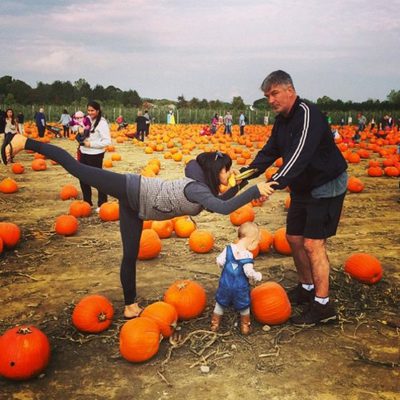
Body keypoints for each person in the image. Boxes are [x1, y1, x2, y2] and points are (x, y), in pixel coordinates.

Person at [2, 135, 277, 319]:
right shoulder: (197, 190)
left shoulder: (203, 190)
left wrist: (242, 184)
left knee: (130, 253)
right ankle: (25, 141)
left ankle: (131, 305)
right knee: (76, 168)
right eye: (227, 170)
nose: (229, 174)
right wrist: (253, 191)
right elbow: (224, 208)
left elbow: (221, 200)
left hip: (137, 206)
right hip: (131, 187)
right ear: (214, 172)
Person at [241, 70, 348, 326]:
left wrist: (271, 184)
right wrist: (245, 175)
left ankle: (323, 306)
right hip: (303, 185)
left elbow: (299, 156)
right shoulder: (282, 120)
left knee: (313, 244)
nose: (270, 99)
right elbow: (270, 150)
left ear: (290, 90)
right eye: (267, 96)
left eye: (274, 93)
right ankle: (306, 286)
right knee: (293, 238)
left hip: (325, 183)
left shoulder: (307, 115)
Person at [210, 222, 262, 335]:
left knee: (220, 303)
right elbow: (249, 273)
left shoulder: (228, 249)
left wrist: (225, 267)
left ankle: (215, 324)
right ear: (252, 241)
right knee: (244, 305)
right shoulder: (247, 256)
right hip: (240, 288)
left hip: (225, 284)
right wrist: (257, 276)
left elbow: (219, 261)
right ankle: (245, 326)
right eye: (257, 242)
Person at [75, 102, 111, 212]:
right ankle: (87, 202)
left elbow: (107, 141)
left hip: (95, 155)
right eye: (89, 110)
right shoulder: (86, 120)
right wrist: (80, 133)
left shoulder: (102, 123)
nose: (90, 113)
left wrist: (91, 144)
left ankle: (102, 203)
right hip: (83, 152)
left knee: (98, 179)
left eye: (92, 111)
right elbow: (81, 133)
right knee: (83, 178)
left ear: (98, 111)